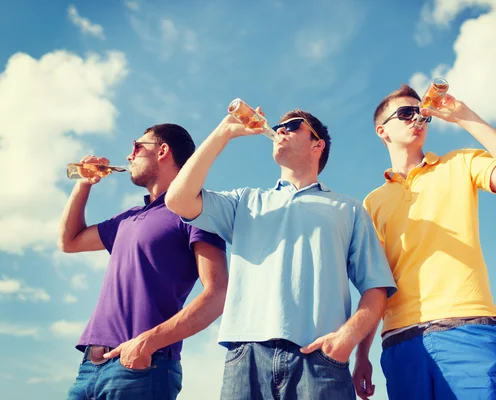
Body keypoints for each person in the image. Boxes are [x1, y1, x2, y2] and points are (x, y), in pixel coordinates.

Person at [165, 108, 397, 399]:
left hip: (320, 359)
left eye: (293, 125)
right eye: (279, 125)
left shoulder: (348, 209)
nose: (281, 129)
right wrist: (223, 132)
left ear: (317, 144)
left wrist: (346, 339)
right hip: (245, 357)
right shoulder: (244, 201)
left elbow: (376, 287)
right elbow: (177, 199)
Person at [353, 84, 496, 400]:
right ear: (382, 130)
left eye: (421, 113)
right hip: (401, 345)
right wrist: (362, 355)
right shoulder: (372, 202)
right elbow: (376, 282)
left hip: (470, 332)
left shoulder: (462, 163)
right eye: (405, 113)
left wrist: (462, 114)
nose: (417, 118)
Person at [58, 123, 228, 400]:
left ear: (163, 151)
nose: (129, 156)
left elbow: (217, 292)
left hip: (143, 368)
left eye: (137, 147)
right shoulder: (127, 217)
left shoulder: (196, 211)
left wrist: (146, 344)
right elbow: (69, 241)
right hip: (88, 369)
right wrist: (83, 184)